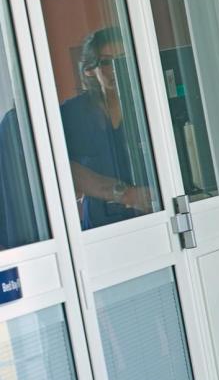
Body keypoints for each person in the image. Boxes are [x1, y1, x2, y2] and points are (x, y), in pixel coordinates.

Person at [60, 26, 155, 229]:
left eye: (121, 60)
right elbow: (61, 167)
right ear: (89, 70)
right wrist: (122, 193)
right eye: (105, 62)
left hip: (153, 216)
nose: (114, 69)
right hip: (101, 226)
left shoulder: (148, 105)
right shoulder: (72, 112)